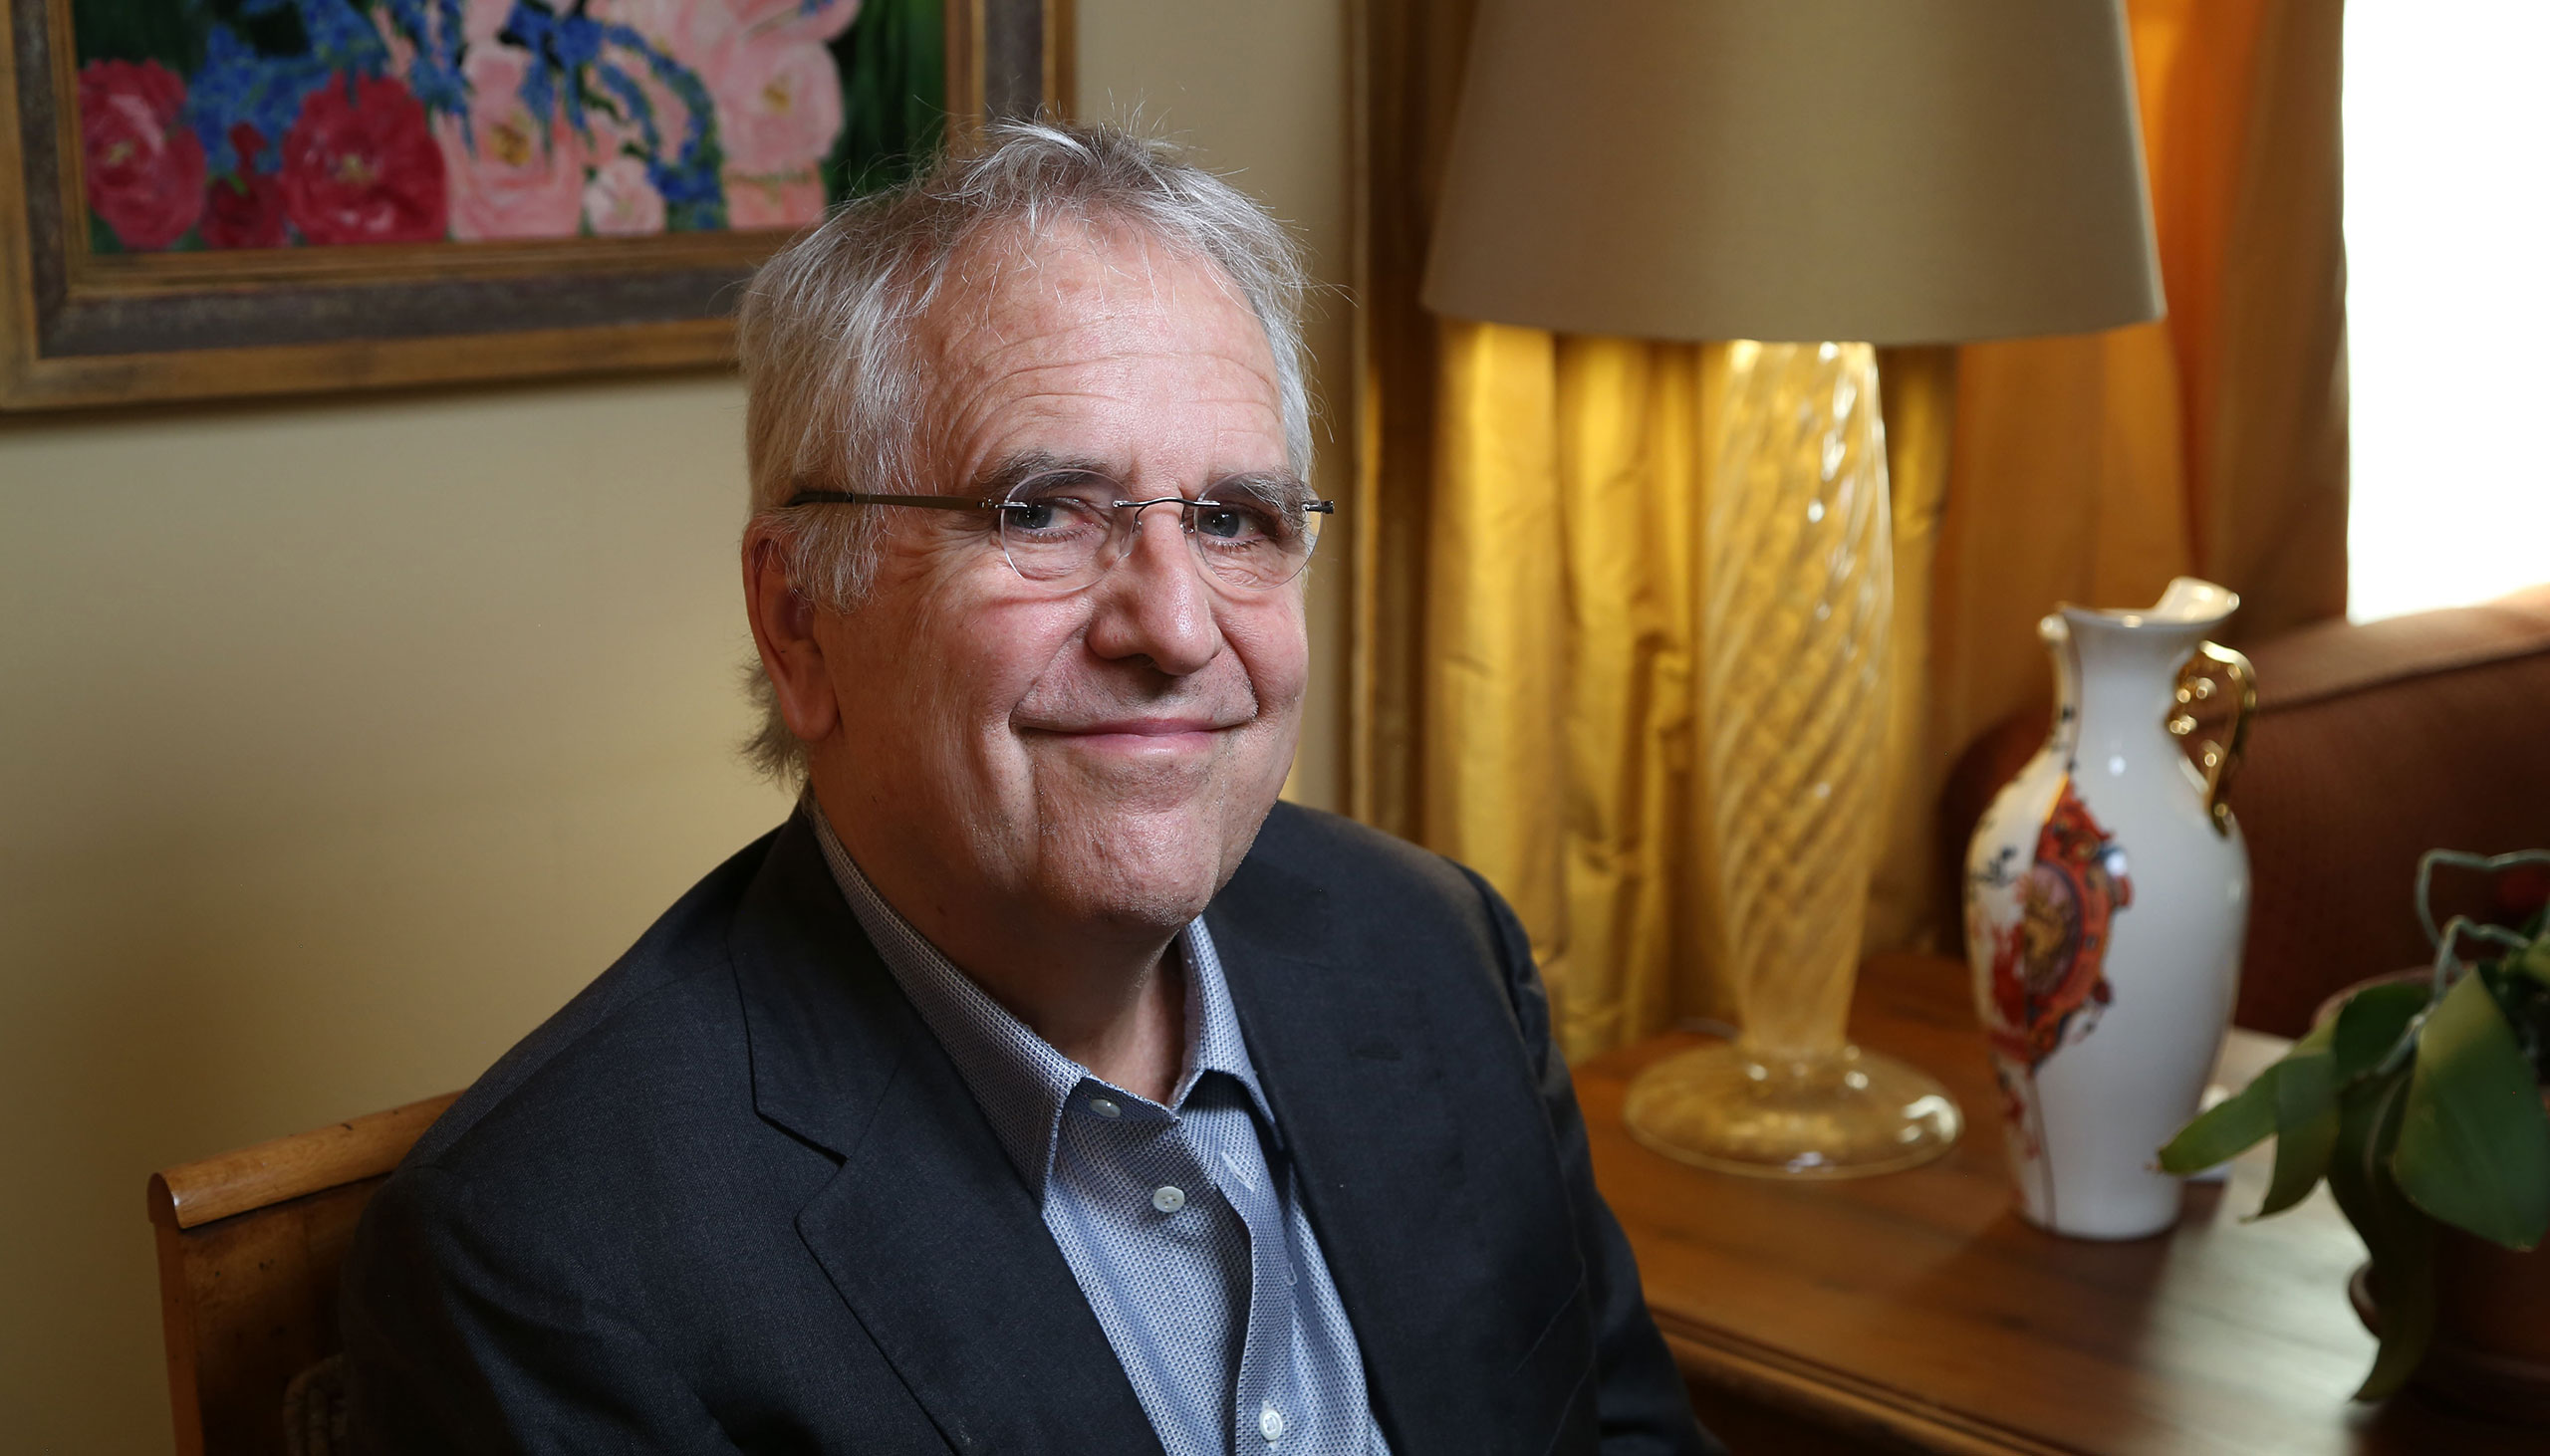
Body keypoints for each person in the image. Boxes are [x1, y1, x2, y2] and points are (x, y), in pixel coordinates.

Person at [340, 120, 1717, 1456]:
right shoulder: (556, 1256)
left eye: (1234, 518)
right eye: (1041, 510)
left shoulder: (1435, 944)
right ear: (801, 623)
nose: (1175, 626)